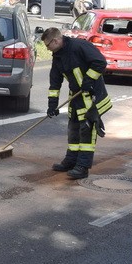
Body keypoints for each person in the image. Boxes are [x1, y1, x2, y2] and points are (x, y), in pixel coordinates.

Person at [42, 27, 113, 179]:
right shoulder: (58, 56)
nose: (47, 49)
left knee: (87, 130)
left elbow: (100, 62)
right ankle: (71, 160)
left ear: (55, 40)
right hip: (76, 97)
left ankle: (83, 167)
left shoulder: (79, 46)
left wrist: (88, 80)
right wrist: (52, 105)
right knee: (73, 129)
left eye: (48, 45)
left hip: (92, 96)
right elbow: (55, 82)